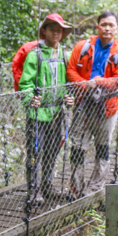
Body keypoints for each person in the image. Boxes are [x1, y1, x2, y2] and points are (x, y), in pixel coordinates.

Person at [66, 11, 118, 194]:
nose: (107, 28)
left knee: (102, 146)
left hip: (107, 106)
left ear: (117, 29)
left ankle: (95, 188)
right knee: (78, 145)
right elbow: (71, 70)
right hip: (83, 102)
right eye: (104, 24)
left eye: (111, 25)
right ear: (97, 27)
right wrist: (84, 84)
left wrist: (98, 82)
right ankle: (76, 187)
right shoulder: (82, 47)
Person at [18, 13, 75, 206]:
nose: (56, 33)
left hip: (57, 113)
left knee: (52, 150)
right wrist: (29, 99)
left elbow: (70, 82)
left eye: (59, 30)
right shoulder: (35, 55)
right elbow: (25, 83)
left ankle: (48, 185)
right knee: (35, 151)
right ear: (45, 31)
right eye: (52, 30)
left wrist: (70, 97)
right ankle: (33, 189)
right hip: (37, 113)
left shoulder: (65, 55)